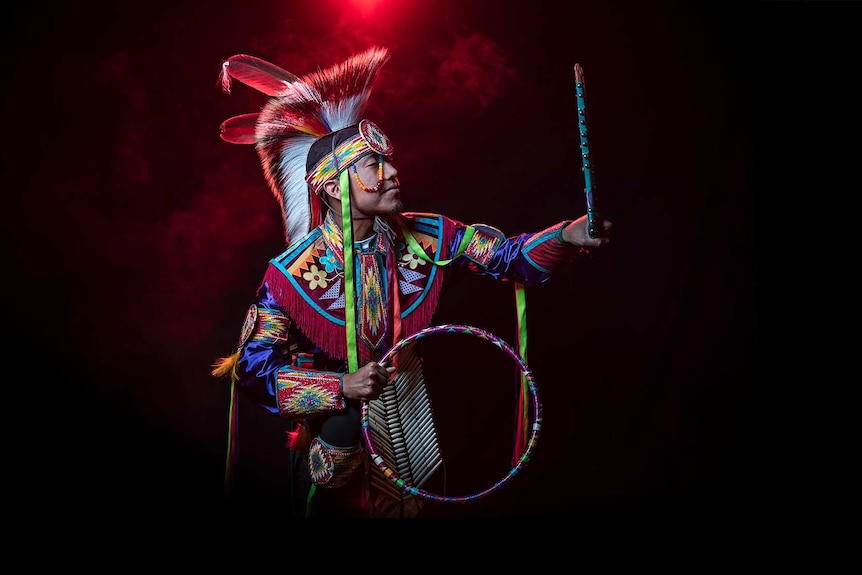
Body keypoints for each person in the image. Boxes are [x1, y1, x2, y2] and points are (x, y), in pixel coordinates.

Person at [212, 46, 612, 518]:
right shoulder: (289, 276)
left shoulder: (426, 234)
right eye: (374, 166)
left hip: (411, 432)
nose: (394, 172)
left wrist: (567, 234)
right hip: (337, 455)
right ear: (333, 185)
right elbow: (253, 369)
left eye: (390, 160)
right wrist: (341, 387)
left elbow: (506, 258)